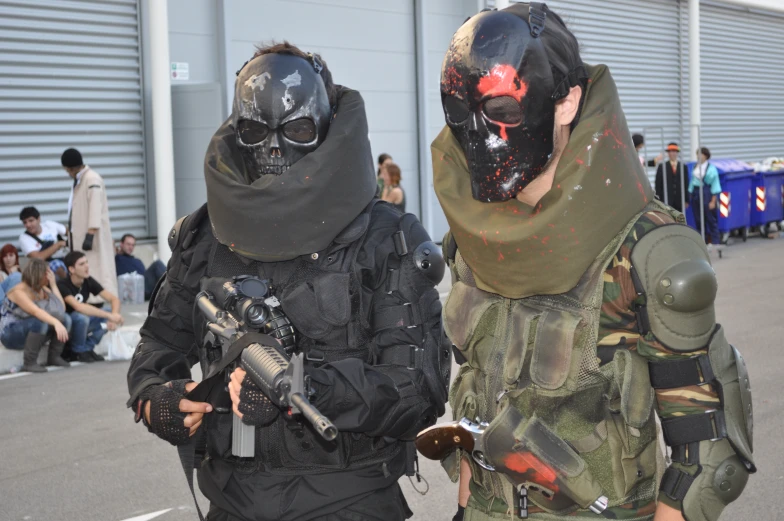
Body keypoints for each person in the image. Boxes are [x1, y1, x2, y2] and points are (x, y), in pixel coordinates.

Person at [433, 5, 753, 521]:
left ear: (567, 104)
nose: (478, 135)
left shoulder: (645, 248)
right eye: (458, 110)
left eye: (502, 109)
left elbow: (705, 457)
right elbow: (477, 399)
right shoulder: (474, 240)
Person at [126, 42, 450, 521]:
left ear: (324, 127)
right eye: (257, 131)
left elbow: (418, 391)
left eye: (296, 129)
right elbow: (156, 346)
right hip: (233, 500)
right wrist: (159, 400)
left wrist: (307, 388)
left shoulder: (385, 238)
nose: (275, 148)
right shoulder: (204, 237)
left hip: (350, 501)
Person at [61, 148, 118, 299]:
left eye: (67, 169)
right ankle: (89, 298)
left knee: (95, 267)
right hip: (80, 234)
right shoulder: (81, 180)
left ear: (71, 168)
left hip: (91, 236)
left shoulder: (92, 179)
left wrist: (90, 234)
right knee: (85, 267)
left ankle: (99, 299)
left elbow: (95, 207)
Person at [0, 259, 71, 372]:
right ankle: (29, 362)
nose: (49, 276)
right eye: (46, 274)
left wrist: (53, 285)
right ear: (38, 274)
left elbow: (61, 309)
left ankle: (54, 357)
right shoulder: (18, 291)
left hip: (31, 331)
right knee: (40, 321)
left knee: (65, 319)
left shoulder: (41, 288)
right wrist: (55, 322)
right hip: (10, 334)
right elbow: (35, 312)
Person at [57, 251, 123, 363]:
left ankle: (87, 348)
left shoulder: (88, 281)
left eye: (86, 262)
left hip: (84, 324)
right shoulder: (63, 284)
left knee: (108, 313)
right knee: (81, 317)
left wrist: (114, 315)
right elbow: (78, 307)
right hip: (68, 326)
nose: (87, 266)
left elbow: (114, 299)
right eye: (81, 264)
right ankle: (77, 351)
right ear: (71, 269)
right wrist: (110, 316)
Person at [18, 206, 68, 279]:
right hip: (45, 265)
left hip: (65, 256)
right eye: (25, 222)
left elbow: (69, 233)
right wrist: (58, 244)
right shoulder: (24, 238)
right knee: (57, 265)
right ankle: (68, 285)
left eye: (31, 221)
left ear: (38, 219)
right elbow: (38, 258)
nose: (28, 225)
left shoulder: (49, 224)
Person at [687, 147, 722, 245]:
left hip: (707, 193)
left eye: (700, 154)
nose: (698, 156)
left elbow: (715, 185)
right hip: (696, 193)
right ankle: (702, 242)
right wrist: (689, 195)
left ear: (705, 156)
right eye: (697, 154)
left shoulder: (711, 169)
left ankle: (715, 242)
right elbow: (692, 182)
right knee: (698, 219)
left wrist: (713, 201)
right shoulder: (695, 166)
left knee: (710, 219)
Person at [115, 234, 167, 300]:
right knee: (157, 264)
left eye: (133, 245)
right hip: (134, 289)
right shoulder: (117, 259)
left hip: (146, 287)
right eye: (128, 244)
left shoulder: (137, 260)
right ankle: (174, 287)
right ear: (121, 244)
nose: (130, 247)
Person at [655, 142, 688, 213]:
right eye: (670, 151)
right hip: (666, 199)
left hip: (679, 199)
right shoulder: (662, 166)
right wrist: (659, 199)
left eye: (674, 151)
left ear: (677, 153)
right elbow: (658, 184)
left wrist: (686, 199)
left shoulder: (683, 166)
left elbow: (686, 183)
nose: (672, 153)